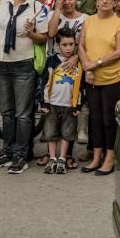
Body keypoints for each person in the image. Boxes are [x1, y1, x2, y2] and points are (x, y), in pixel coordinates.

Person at [0, 0, 47, 174]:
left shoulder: (38, 8)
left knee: (23, 114)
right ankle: (7, 151)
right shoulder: (3, 3)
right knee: (7, 111)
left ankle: (21, 154)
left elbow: (44, 37)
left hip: (24, 64)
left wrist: (31, 33)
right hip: (2, 63)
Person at [78, 0, 120, 175]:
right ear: (96, 1)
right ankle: (96, 157)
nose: (105, 1)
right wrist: (86, 66)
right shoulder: (88, 21)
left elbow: (119, 51)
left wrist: (95, 64)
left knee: (109, 120)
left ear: (115, 2)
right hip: (91, 76)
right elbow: (81, 45)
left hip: (112, 77)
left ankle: (109, 157)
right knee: (95, 118)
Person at [40, 27, 82, 175]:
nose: (68, 48)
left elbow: (80, 85)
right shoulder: (52, 61)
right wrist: (43, 102)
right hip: (52, 103)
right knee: (51, 132)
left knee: (67, 133)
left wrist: (78, 105)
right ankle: (52, 158)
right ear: (58, 45)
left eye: (71, 44)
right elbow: (44, 82)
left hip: (70, 105)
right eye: (64, 45)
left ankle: (62, 158)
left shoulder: (78, 64)